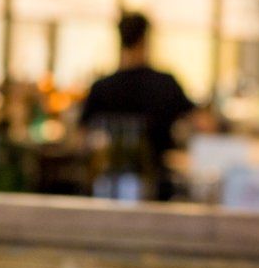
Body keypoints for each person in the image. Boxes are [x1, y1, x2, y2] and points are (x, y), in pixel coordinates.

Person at [80, 12, 196, 197]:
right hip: (159, 189)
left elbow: (82, 136)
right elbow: (203, 122)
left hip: (105, 188)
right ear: (145, 40)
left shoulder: (101, 88)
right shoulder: (165, 84)